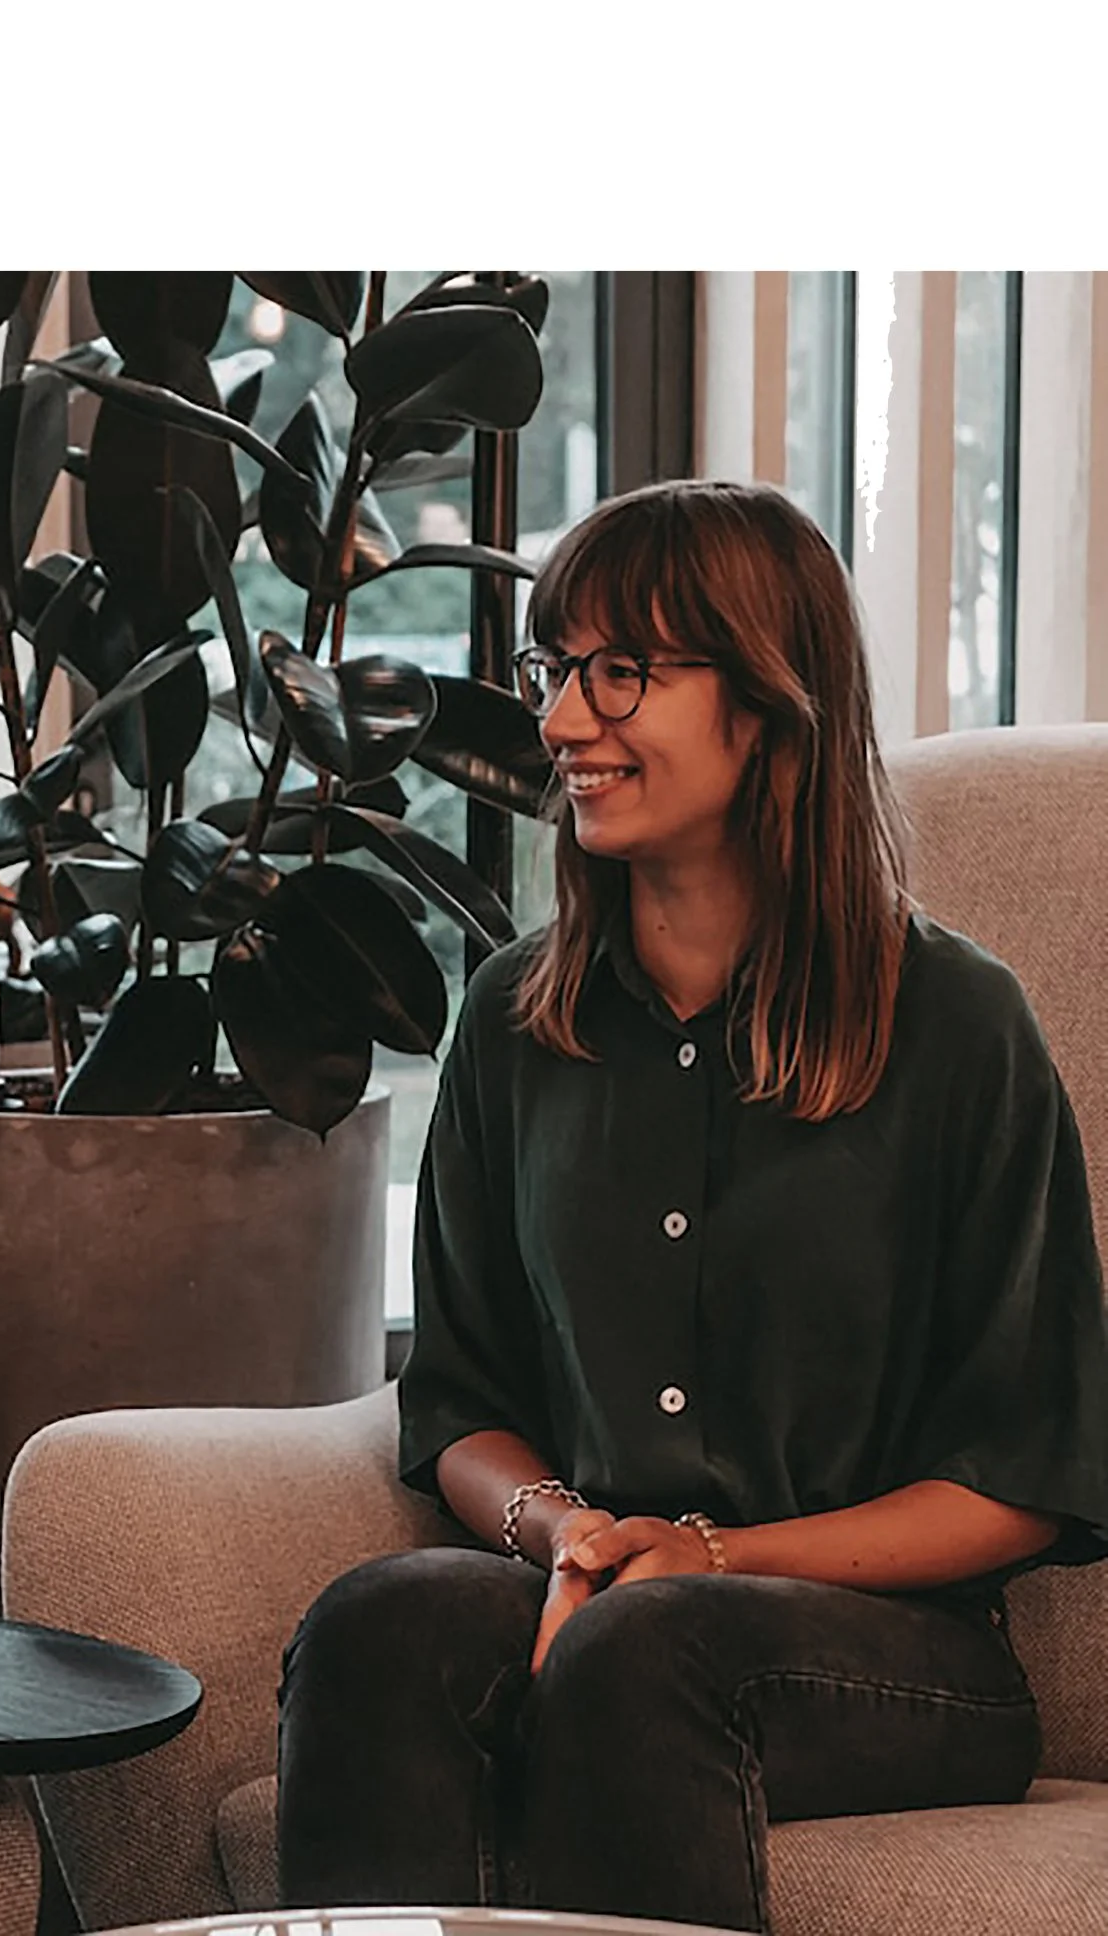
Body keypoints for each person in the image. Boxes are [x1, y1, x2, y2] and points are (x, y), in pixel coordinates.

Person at [271, 480, 1108, 1931]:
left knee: (646, 1649)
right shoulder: (514, 1023)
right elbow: (461, 1400)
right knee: (380, 1623)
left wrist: (707, 1560)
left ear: (768, 701)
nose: (561, 720)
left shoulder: (958, 1026)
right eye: (554, 668)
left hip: (896, 1653)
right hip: (604, 1592)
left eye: (622, 673)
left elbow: (1022, 1477)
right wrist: (566, 1533)